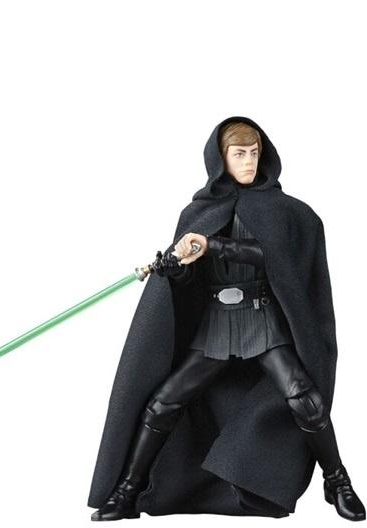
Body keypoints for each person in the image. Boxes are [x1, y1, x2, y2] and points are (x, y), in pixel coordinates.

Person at [89, 118, 364, 522]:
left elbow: (278, 261)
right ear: (221, 160)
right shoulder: (198, 212)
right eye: (239, 154)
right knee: (163, 403)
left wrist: (213, 245)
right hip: (216, 326)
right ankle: (129, 490)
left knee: (306, 401)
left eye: (254, 153)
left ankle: (336, 480)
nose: (249, 162)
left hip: (263, 322)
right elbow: (192, 283)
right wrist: (175, 269)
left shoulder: (287, 211)